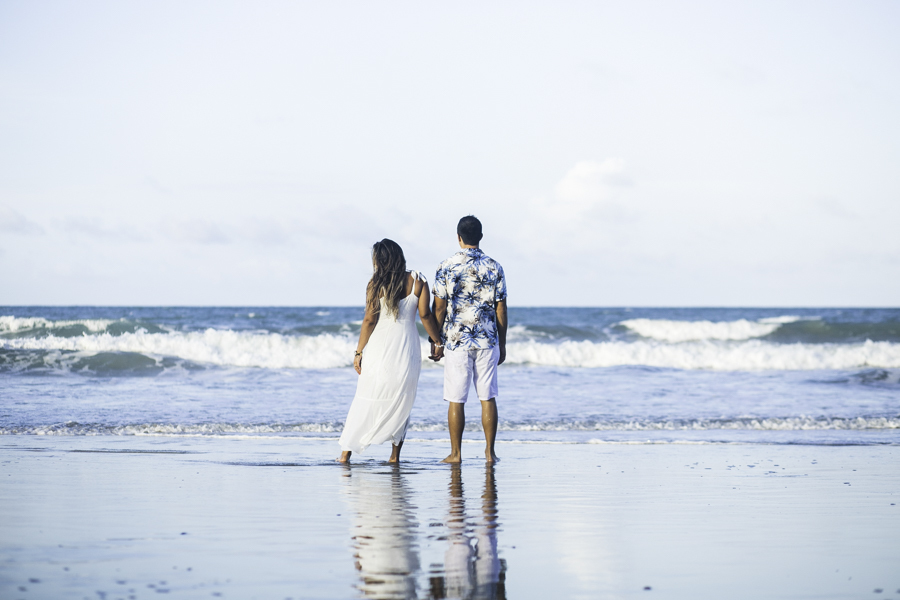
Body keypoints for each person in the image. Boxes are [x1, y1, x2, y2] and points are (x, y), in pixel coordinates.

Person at [338, 239, 443, 463]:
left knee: (366, 397)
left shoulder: (375, 283)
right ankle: (394, 457)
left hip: (379, 347)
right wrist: (437, 341)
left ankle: (345, 454)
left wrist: (359, 352)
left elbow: (369, 320)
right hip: (406, 346)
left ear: (379, 260)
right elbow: (425, 315)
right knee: (402, 399)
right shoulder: (418, 280)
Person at [431, 216, 508, 463]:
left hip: (456, 341)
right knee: (488, 397)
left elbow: (439, 309)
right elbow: (501, 309)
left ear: (458, 237)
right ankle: (490, 453)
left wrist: (436, 340)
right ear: (481, 237)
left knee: (456, 398)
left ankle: (456, 454)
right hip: (487, 340)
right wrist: (502, 342)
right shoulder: (495, 267)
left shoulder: (446, 266)